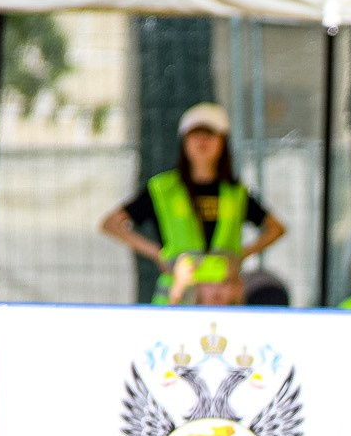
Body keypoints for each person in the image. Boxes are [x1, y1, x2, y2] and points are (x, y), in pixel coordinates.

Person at [100, 103, 285, 305]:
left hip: (221, 295)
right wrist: (158, 254)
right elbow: (111, 224)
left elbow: (275, 228)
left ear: (222, 141)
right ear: (185, 141)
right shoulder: (164, 189)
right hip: (177, 292)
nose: (202, 141)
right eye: (196, 134)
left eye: (210, 134)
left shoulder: (235, 193)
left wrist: (241, 255)